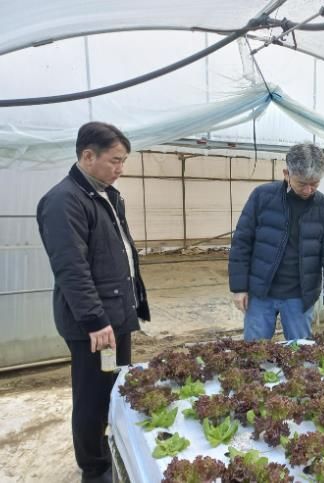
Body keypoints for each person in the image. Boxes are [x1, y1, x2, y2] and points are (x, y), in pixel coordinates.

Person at [37, 122, 150, 483]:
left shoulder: (105, 195)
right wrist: (94, 320)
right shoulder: (64, 201)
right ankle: (94, 467)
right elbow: (72, 268)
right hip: (96, 325)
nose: (121, 168)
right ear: (88, 156)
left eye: (123, 161)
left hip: (115, 316)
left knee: (115, 387)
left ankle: (111, 449)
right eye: (115, 160)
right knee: (91, 396)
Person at [228, 143, 324, 341]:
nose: (308, 190)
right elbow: (241, 243)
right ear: (286, 174)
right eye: (302, 183)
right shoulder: (262, 196)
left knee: (300, 352)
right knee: (255, 351)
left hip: (300, 296)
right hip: (261, 292)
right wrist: (239, 288)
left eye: (315, 184)